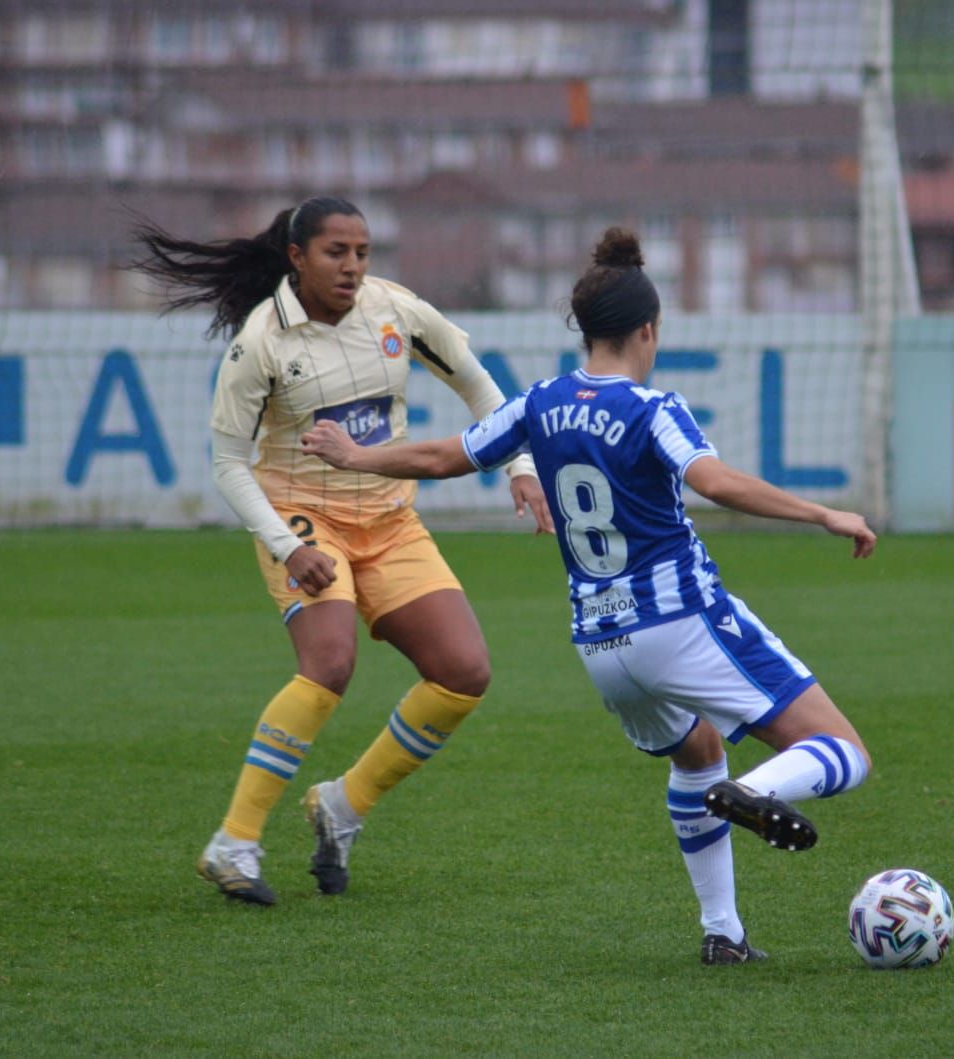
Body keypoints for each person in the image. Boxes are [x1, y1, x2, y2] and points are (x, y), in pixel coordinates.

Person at [300, 227, 877, 965]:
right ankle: (759, 790)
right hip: (680, 620)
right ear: (648, 329)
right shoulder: (652, 407)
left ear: (587, 330)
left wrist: (358, 455)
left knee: (698, 754)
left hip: (604, 646)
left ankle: (723, 933)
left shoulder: (540, 403)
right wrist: (824, 512)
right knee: (843, 750)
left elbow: (449, 455)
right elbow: (717, 482)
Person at [133, 196, 553, 905]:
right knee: (330, 661)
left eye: (361, 252)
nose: (353, 267)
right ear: (297, 258)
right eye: (337, 252)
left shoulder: (397, 311)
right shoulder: (261, 341)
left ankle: (342, 805)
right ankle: (234, 842)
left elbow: (481, 387)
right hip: (300, 516)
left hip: (388, 518)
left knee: (464, 671)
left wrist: (519, 468)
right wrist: (284, 546)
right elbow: (230, 465)